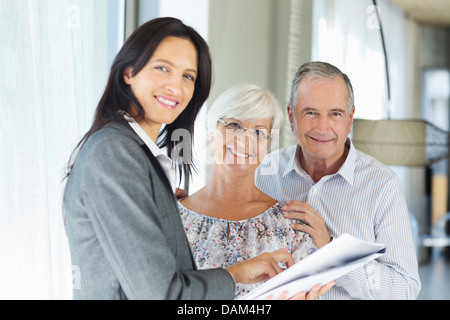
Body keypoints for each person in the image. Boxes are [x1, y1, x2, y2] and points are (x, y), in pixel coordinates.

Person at [62, 17, 296, 300]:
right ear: (129, 72)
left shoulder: (138, 156)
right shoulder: (115, 152)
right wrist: (237, 274)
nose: (176, 86)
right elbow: (163, 294)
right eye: (162, 68)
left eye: (188, 76)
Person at [255, 61, 422, 299]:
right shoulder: (263, 172)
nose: (323, 128)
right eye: (311, 113)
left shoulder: (384, 186)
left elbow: (405, 289)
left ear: (350, 118)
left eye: (335, 114)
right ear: (292, 116)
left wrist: (331, 248)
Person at [179, 83, 335, 299]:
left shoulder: (290, 223)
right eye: (233, 125)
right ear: (212, 132)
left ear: (267, 146)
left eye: (259, 132)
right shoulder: (174, 217)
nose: (245, 140)